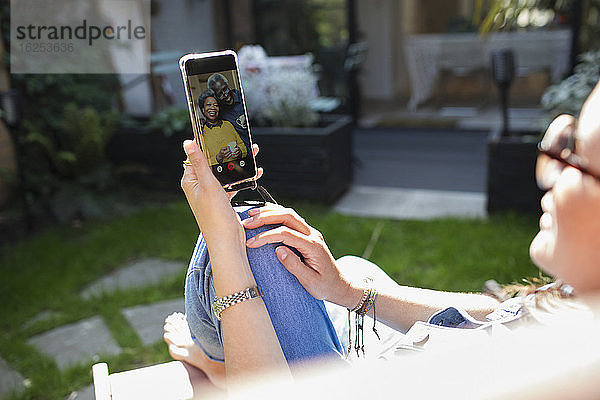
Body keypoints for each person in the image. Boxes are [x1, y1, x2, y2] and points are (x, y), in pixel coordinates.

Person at [167, 80, 600, 389]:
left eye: (575, 154)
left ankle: (220, 369)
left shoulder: (567, 373)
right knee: (349, 268)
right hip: (400, 355)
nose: (551, 172)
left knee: (254, 240)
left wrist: (223, 243)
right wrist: (348, 290)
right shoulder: (576, 318)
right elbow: (502, 315)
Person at [197, 89, 247, 165]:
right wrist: (218, 158)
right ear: (203, 110)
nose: (212, 108)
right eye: (208, 105)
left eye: (216, 105)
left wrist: (240, 151)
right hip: (217, 173)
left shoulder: (228, 124)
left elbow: (242, 145)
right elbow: (201, 161)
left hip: (240, 166)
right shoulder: (201, 132)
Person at [206, 73, 250, 147]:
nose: (225, 95)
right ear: (215, 97)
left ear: (227, 85)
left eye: (225, 89)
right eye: (220, 94)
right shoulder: (220, 114)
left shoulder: (244, 96)